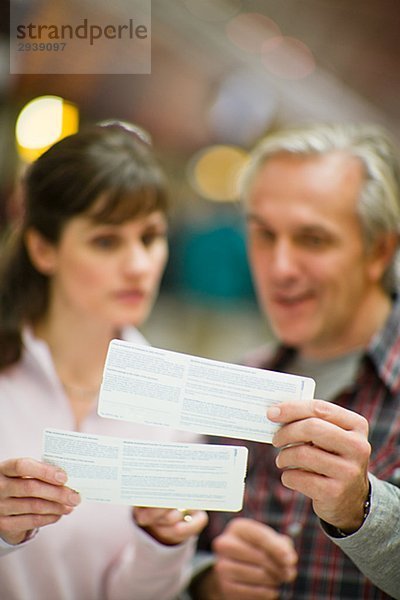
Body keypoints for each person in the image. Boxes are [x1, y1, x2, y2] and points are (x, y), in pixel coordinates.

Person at [189, 122, 400, 599]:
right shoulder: (234, 385)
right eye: (264, 235)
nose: (280, 267)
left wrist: (361, 510)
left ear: (379, 250)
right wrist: (209, 581)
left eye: (313, 239)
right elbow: (187, 548)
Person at [0, 121, 208, 600]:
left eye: (151, 237)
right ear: (42, 247)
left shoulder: (176, 405)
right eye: (106, 241)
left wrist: (162, 541)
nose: (139, 264)